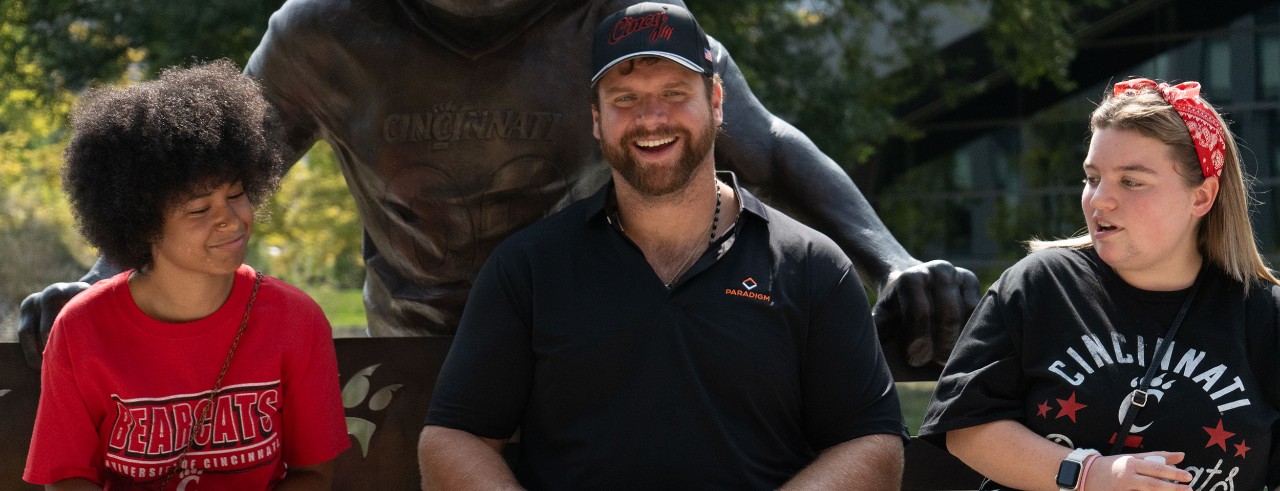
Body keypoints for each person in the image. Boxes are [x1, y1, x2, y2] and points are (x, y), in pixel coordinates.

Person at [20, 0, 978, 376]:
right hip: (413, 357)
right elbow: (209, 175)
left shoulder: (613, 19)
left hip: (580, 343)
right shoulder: (326, 32)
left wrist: (894, 263)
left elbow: (760, 143)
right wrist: (106, 282)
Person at [418, 4, 908, 489]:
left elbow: (871, 443)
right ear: (596, 118)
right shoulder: (529, 267)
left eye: (674, 93)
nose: (651, 118)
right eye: (624, 99)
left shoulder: (810, 266)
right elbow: (454, 437)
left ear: (716, 102)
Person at [918, 78, 1280, 489]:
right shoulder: (1041, 285)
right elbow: (967, 428)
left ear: (1201, 197)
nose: (1099, 200)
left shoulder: (1264, 314)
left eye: (1131, 181)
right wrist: (1090, 475)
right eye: (1093, 178)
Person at [22, 60, 351, 490]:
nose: (231, 221)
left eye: (236, 195)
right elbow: (66, 479)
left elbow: (314, 473)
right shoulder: (81, 329)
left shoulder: (296, 319)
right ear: (141, 223)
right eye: (199, 210)